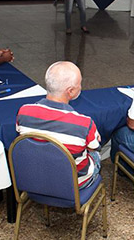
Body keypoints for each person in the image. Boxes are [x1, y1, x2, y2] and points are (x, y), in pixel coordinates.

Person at [16, 61, 101, 189]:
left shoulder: (23, 111)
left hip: (34, 179)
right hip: (70, 185)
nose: (81, 87)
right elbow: (94, 147)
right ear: (70, 91)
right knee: (95, 154)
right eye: (79, 84)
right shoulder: (84, 123)